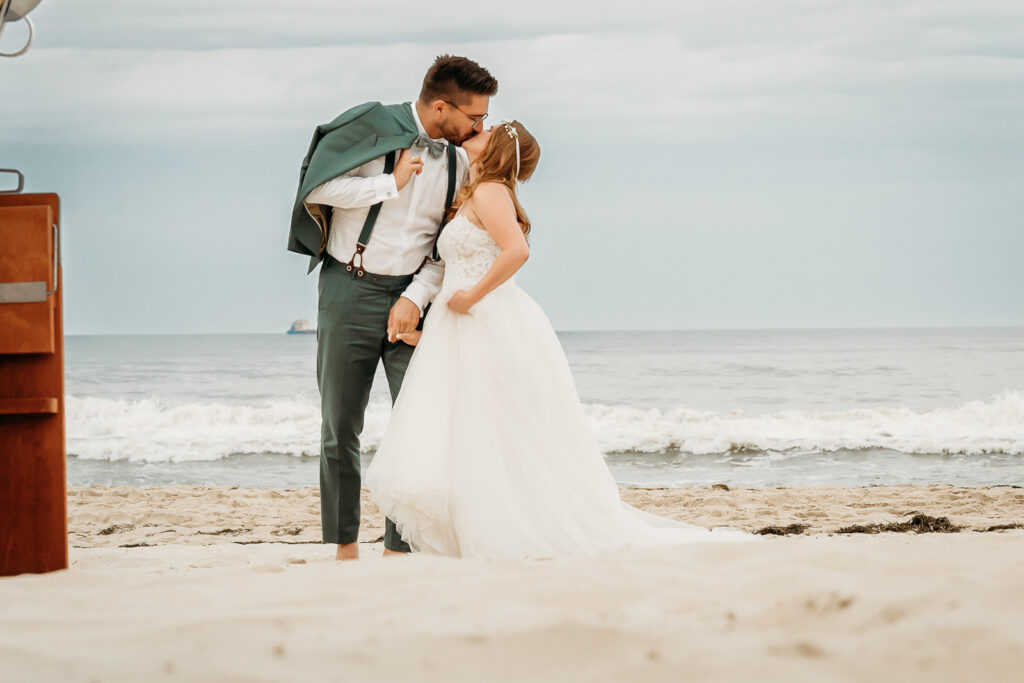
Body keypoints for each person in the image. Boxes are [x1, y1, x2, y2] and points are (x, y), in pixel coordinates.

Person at [366, 121, 753, 559]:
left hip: (482, 315)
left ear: (497, 147)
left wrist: (471, 296)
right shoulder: (474, 193)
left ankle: (499, 530)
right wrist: (431, 324)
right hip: (463, 321)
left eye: (487, 129)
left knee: (489, 426)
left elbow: (517, 251)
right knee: (471, 426)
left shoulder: (492, 191)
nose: (478, 128)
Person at [286, 55, 498, 561]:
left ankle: (399, 549)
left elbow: (445, 245)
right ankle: (343, 548)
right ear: (442, 106)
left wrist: (414, 296)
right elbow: (319, 188)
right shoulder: (373, 126)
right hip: (348, 290)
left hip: (415, 299)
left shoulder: (461, 161)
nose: (479, 126)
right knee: (340, 427)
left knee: (417, 425)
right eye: (474, 116)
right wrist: (391, 184)